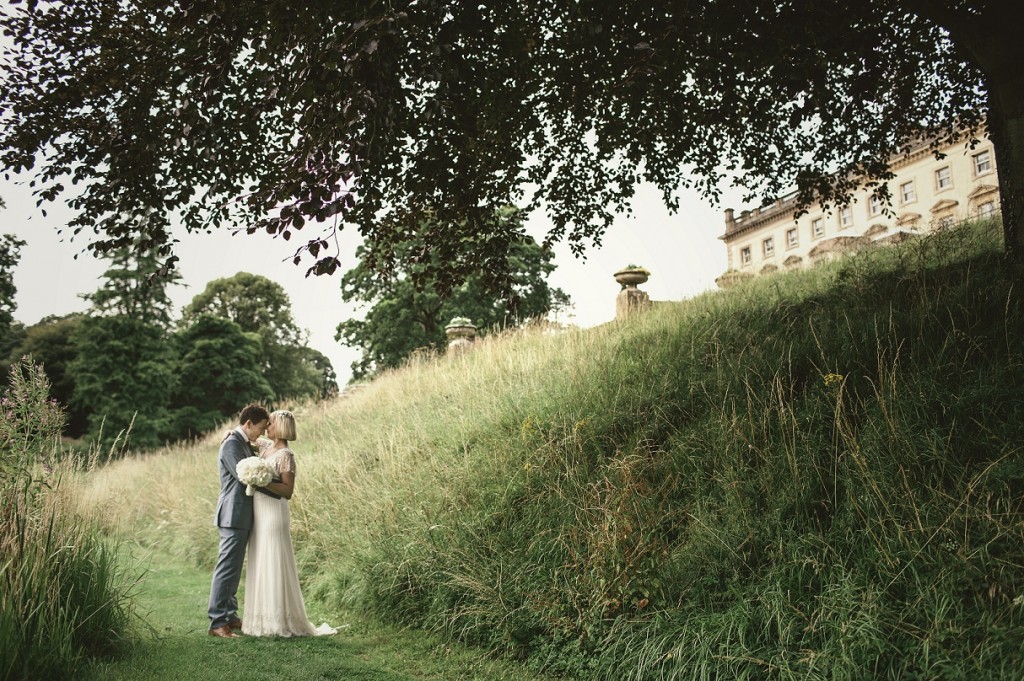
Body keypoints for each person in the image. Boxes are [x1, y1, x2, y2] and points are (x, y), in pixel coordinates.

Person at [242, 409, 337, 637]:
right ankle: (259, 620)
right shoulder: (265, 447)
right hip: (259, 511)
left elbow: (288, 491)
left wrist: (262, 482)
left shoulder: (286, 455)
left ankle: (278, 622)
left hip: (274, 513)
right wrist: (230, 433)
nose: (267, 426)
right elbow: (247, 437)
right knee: (260, 557)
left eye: (271, 423)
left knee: (273, 558)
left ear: (281, 426)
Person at [208, 403, 270, 638]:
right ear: (248, 424)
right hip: (232, 514)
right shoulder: (232, 443)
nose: (262, 433)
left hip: (242, 514)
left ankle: (230, 616)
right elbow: (244, 476)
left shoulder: (242, 442)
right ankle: (217, 622)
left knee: (234, 570)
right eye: (261, 428)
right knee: (226, 568)